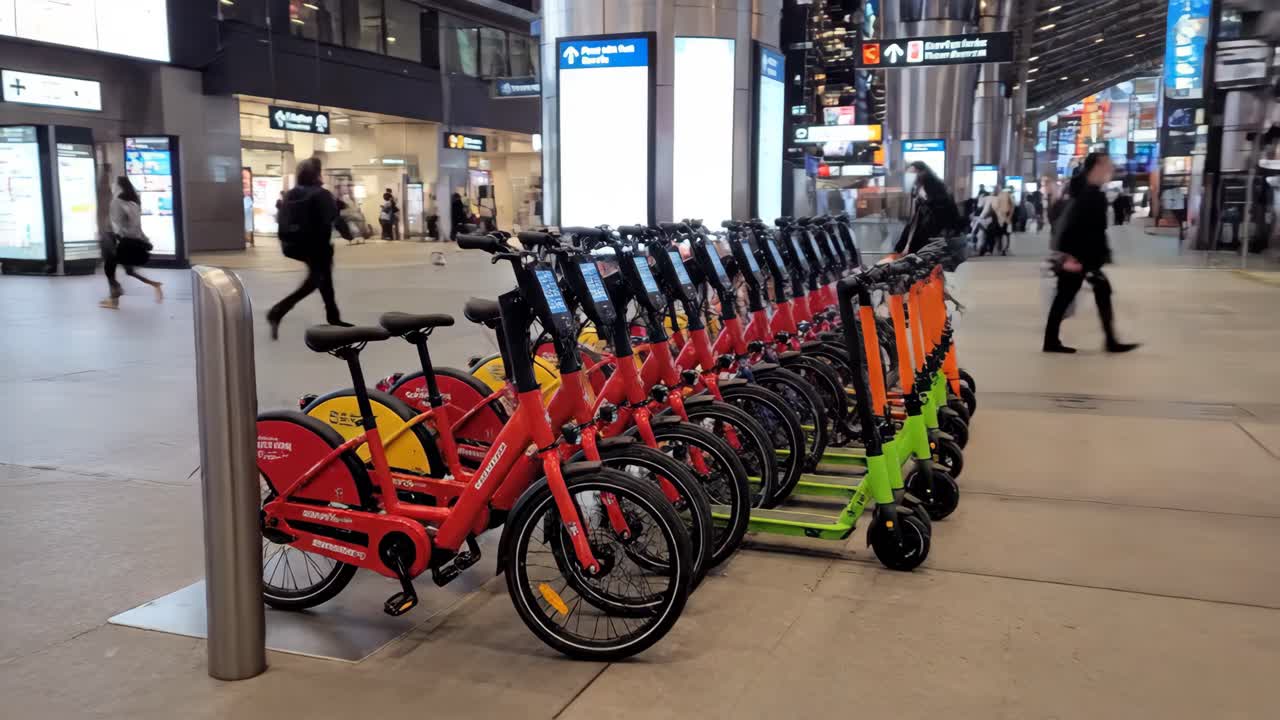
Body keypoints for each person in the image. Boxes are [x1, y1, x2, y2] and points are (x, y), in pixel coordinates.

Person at [1043, 152, 1139, 354]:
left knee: (1087, 293)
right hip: (1079, 256)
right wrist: (1071, 256)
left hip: (1081, 255)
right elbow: (1077, 226)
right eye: (1108, 165)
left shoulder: (1079, 189)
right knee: (1067, 297)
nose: (1111, 169)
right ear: (1096, 167)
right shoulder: (1087, 193)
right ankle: (1107, 341)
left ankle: (1108, 340)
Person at [267, 157, 354, 339]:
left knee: (323, 277)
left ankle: (333, 316)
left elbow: (281, 217)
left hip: (293, 245)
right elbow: (334, 218)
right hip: (317, 245)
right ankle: (277, 311)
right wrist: (348, 234)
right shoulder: (321, 194)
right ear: (316, 175)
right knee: (315, 281)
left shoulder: (290, 194)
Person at [99, 176, 163, 309]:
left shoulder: (116, 202)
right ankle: (154, 284)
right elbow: (137, 226)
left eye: (114, 184)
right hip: (132, 241)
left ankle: (114, 298)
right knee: (127, 270)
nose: (112, 186)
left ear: (119, 186)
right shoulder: (134, 202)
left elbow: (116, 225)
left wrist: (112, 237)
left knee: (110, 268)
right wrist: (143, 239)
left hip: (119, 240)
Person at [895, 161, 964, 257]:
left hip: (933, 234)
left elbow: (940, 212)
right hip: (928, 234)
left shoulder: (931, 188)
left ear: (921, 173)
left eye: (912, 173)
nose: (910, 177)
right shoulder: (921, 188)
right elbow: (917, 218)